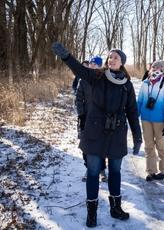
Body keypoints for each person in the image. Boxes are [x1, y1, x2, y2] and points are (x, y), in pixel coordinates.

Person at [52, 42, 143, 227]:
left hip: (117, 133)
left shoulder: (127, 85)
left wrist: (137, 136)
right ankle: (91, 213)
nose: (111, 59)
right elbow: (79, 69)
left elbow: (133, 112)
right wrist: (66, 56)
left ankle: (115, 208)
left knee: (115, 172)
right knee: (93, 171)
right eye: (110, 57)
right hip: (95, 131)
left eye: (115, 57)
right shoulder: (97, 76)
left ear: (122, 62)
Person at [137, 60, 164, 181]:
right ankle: (151, 171)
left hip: (160, 120)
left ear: (163, 69)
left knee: (161, 145)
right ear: (150, 68)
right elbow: (140, 102)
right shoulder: (145, 83)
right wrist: (134, 116)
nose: (156, 69)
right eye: (153, 67)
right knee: (148, 146)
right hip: (145, 119)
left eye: (159, 67)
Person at [75, 56, 108, 182]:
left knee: (101, 146)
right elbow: (78, 99)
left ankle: (101, 170)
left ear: (100, 66)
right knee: (85, 146)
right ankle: (89, 168)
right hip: (86, 118)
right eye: (91, 63)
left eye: (95, 64)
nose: (92, 66)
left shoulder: (104, 80)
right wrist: (81, 115)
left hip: (101, 119)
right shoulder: (83, 80)